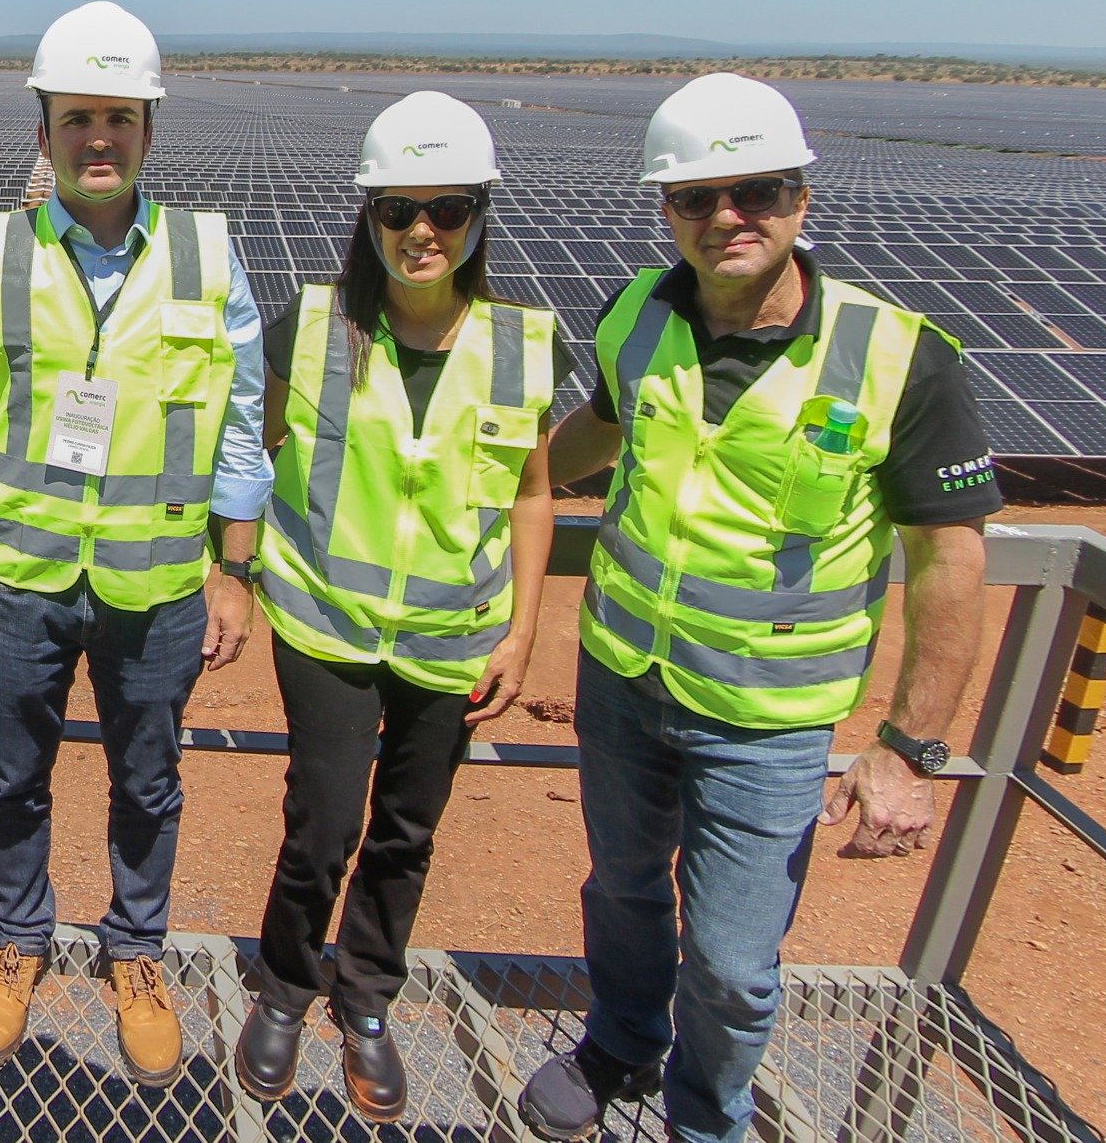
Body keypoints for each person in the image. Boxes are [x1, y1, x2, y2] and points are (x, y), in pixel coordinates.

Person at [515, 73, 999, 1143]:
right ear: (666, 211)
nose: (728, 215)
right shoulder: (635, 313)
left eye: (758, 190)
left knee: (734, 963)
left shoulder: (896, 356)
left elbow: (948, 560)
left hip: (770, 719)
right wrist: (505, 490)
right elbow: (601, 427)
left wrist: (909, 747)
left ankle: (706, 1113)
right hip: (624, 677)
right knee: (623, 889)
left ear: (801, 202)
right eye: (697, 195)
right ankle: (622, 1038)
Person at [0, 1, 271, 1088]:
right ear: (44, 130)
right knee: (12, 774)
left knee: (149, 779)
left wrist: (234, 569)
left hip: (159, 585)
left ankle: (136, 952)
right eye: (76, 117)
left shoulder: (208, 253)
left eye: (119, 117)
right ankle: (17, 940)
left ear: (148, 130)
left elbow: (241, 424)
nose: (98, 139)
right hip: (19, 576)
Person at [231, 92, 562, 1122]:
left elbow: (533, 490)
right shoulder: (315, 320)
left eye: (449, 209)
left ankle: (366, 995)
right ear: (367, 214)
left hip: (452, 637)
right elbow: (254, 442)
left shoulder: (520, 343)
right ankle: (285, 986)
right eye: (398, 209)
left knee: (407, 829)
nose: (422, 230)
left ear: (477, 218)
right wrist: (231, 565)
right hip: (324, 626)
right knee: (321, 821)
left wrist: (522, 629)